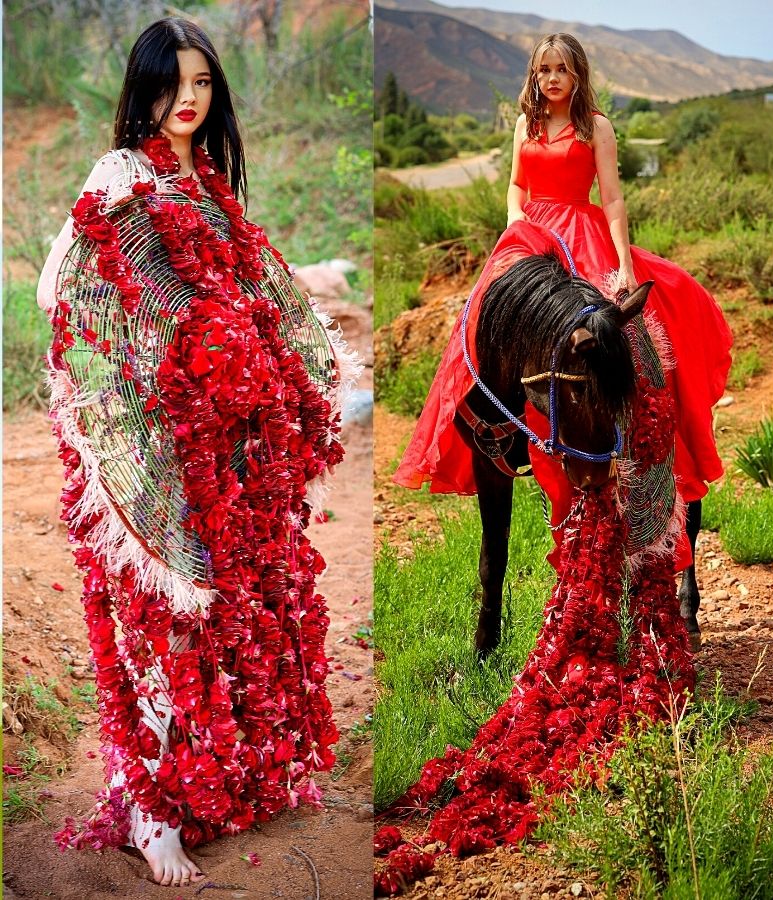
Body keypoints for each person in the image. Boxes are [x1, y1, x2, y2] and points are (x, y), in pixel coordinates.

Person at [38, 18, 356, 888]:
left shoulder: (205, 182)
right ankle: (148, 812)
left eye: (204, 83)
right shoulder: (123, 175)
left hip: (230, 446)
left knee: (231, 609)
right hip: (160, 437)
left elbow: (247, 286)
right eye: (173, 82)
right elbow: (58, 283)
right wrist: (157, 357)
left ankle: (216, 780)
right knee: (159, 619)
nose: (189, 98)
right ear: (141, 89)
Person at [395, 32, 732, 583]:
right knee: (478, 332)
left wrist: (624, 263)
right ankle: (496, 436)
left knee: (619, 343)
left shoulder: (596, 127)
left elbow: (614, 197)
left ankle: (636, 457)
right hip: (530, 239)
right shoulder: (524, 126)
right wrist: (516, 228)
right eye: (543, 69)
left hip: (585, 233)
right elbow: (514, 185)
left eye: (562, 69)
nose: (551, 78)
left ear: (578, 75)